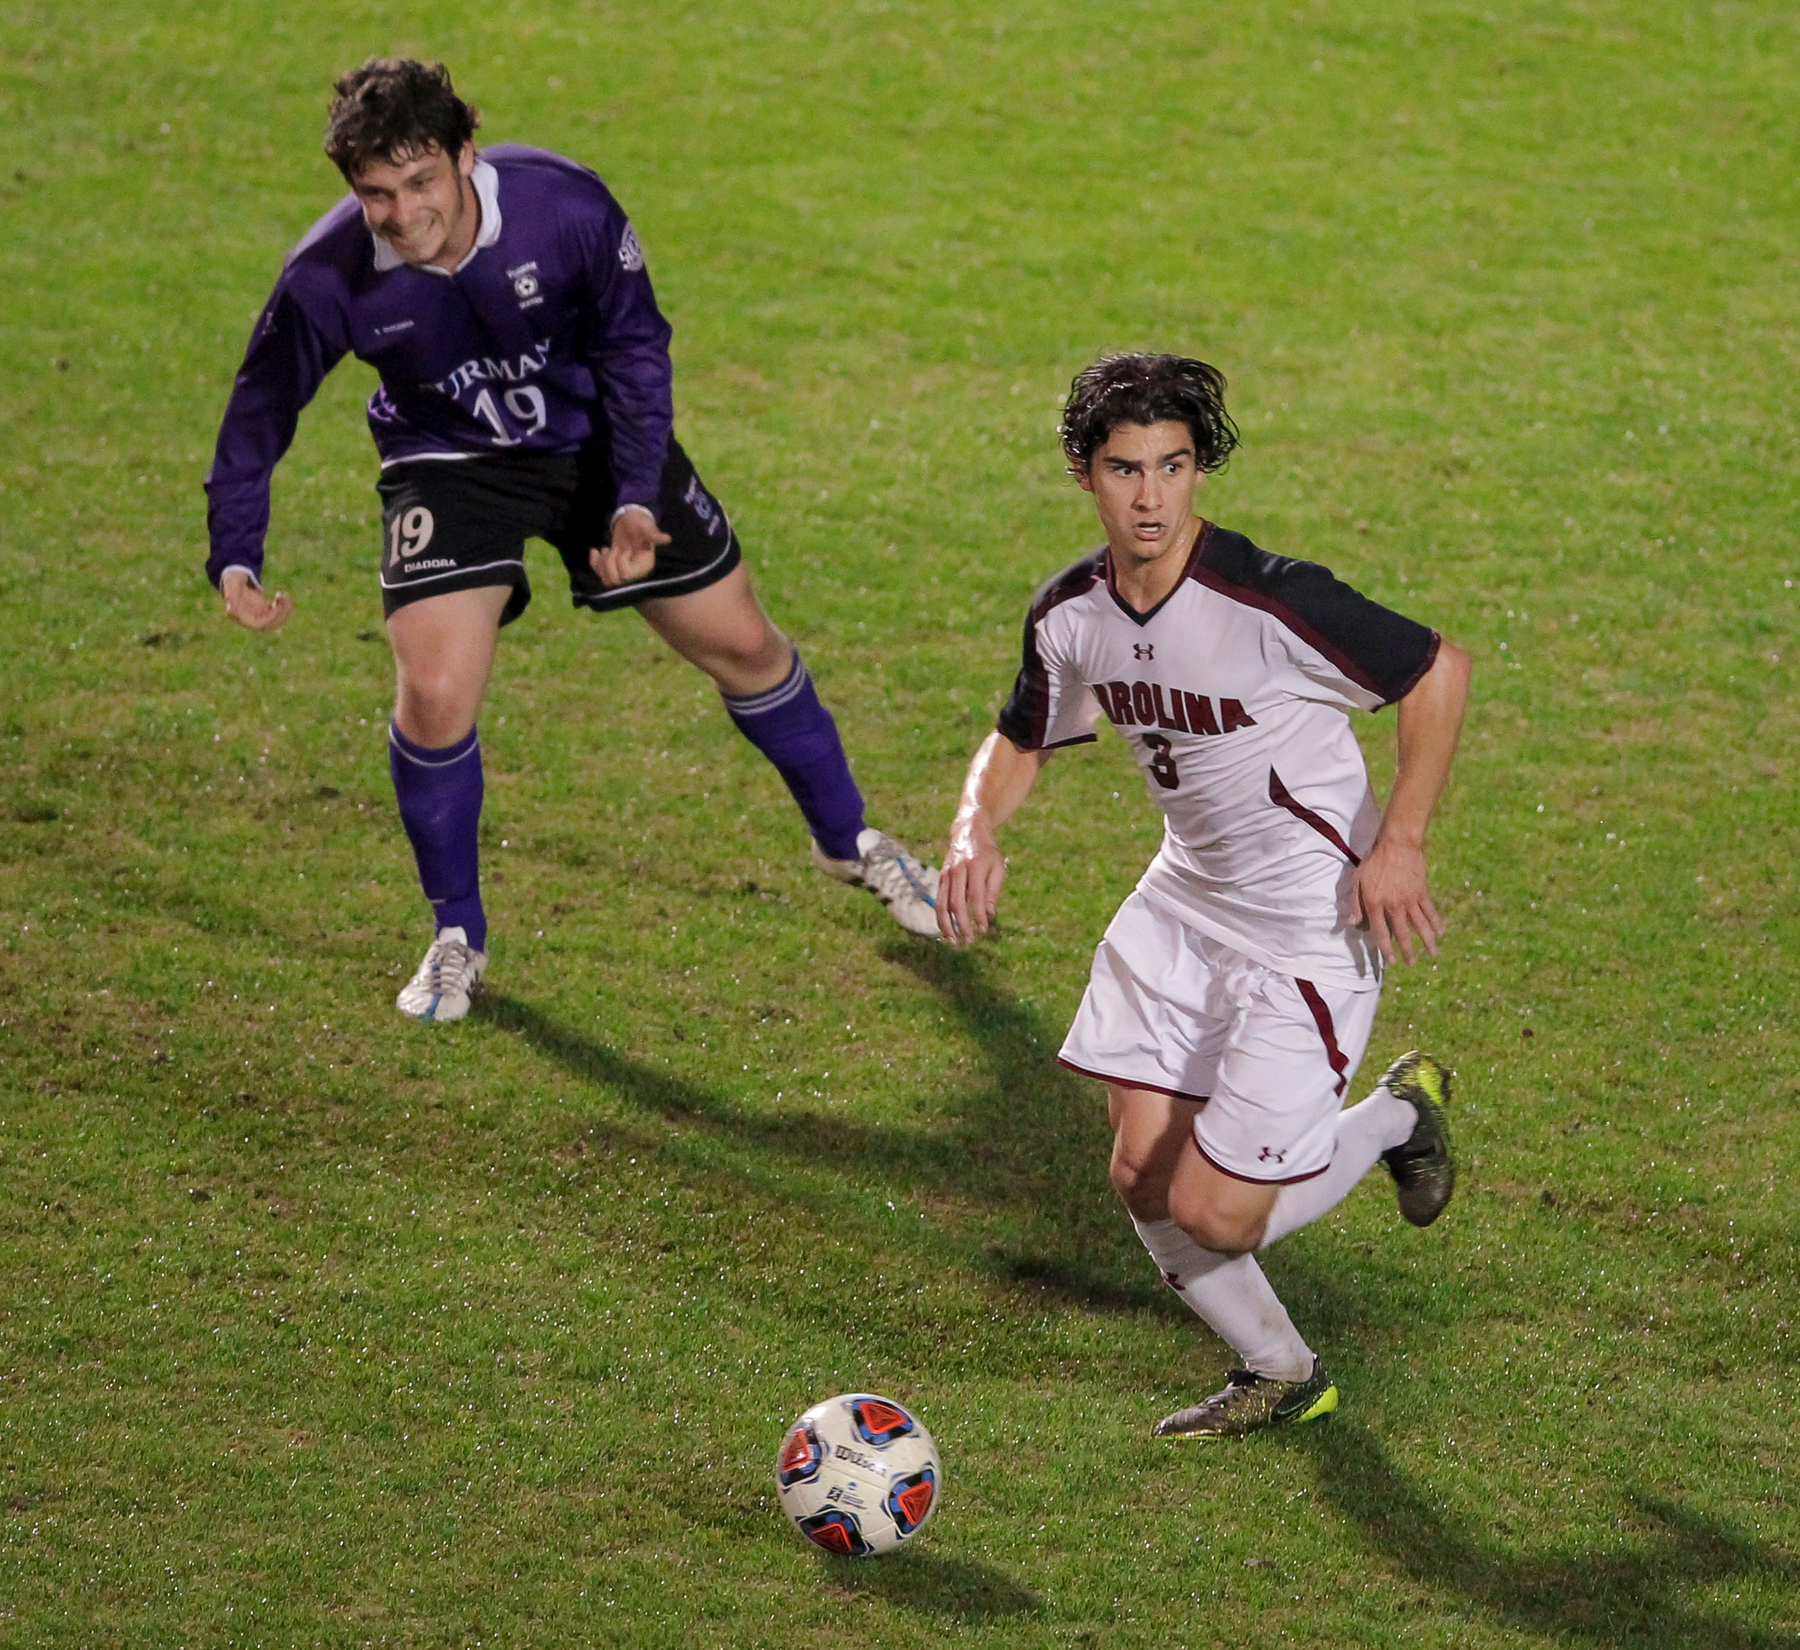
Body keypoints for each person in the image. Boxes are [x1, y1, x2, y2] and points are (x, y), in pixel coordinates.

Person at [204, 58, 941, 1023]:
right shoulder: (326, 276)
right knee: (432, 690)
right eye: (375, 193)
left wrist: (637, 498)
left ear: (466, 154)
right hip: (449, 460)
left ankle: (852, 842)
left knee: (745, 645)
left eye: (421, 182)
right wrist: (236, 552)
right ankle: (455, 933)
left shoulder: (567, 209)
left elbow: (637, 348)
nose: (402, 213)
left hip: (597, 443)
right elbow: (260, 407)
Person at [937, 353, 1472, 1439]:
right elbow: (1024, 733)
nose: (1150, 497)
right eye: (1126, 469)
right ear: (1086, 475)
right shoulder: (1071, 613)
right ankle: (1280, 1370)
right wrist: (971, 828)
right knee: (1141, 1171)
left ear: (1199, 472)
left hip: (1310, 924)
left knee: (1216, 1211)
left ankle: (1394, 1119)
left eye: (1173, 467)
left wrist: (1401, 842)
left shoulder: (1266, 597)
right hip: (1184, 906)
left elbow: (1438, 669)